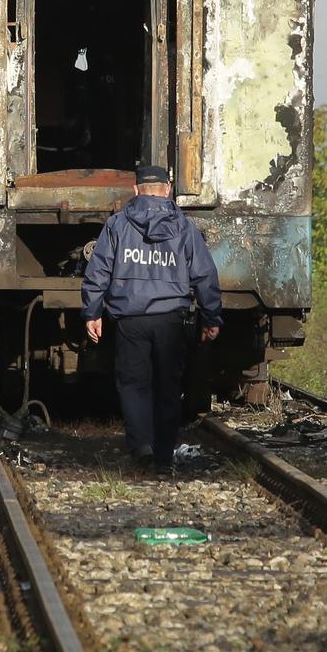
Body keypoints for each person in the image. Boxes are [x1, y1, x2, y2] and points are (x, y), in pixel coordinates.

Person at [80, 165, 222, 471]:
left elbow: (99, 270)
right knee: (169, 388)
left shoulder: (117, 225)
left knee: (133, 386)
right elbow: (205, 274)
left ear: (135, 189)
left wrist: (92, 311)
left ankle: (141, 445)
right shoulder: (184, 227)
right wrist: (211, 317)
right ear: (168, 189)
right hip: (171, 320)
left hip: (130, 319)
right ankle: (163, 456)